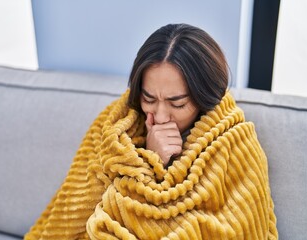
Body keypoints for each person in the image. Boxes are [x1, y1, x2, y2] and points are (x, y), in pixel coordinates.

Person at [25, 23, 278, 239]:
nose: (160, 116)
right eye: (149, 98)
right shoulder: (117, 125)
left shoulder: (235, 144)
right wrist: (148, 159)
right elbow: (74, 208)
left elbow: (238, 227)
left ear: (205, 97)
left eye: (177, 103)